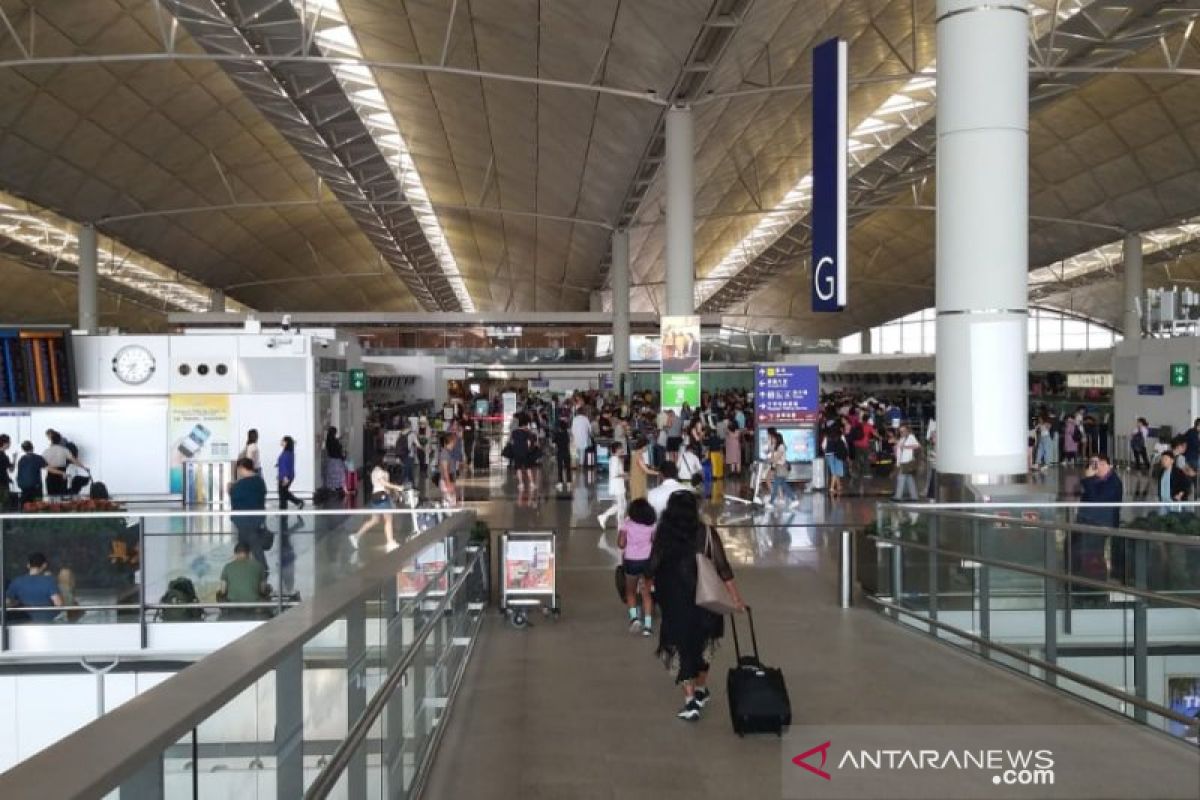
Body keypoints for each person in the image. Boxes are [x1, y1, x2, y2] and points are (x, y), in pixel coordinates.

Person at [649, 491, 745, 721]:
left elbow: (652, 566)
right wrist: (735, 599)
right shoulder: (707, 533)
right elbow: (723, 569)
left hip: (675, 601)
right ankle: (701, 689)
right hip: (706, 598)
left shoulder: (663, 534)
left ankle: (690, 699)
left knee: (682, 646)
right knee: (704, 644)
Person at [1077, 455, 1124, 581]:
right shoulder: (1096, 480)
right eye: (1095, 464)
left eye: (1101, 464)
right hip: (1091, 523)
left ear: (1109, 466)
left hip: (1102, 523)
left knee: (1095, 553)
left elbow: (1097, 501)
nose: (1098, 468)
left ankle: (1098, 579)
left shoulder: (1113, 482)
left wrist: (1089, 480)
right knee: (1089, 552)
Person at [620, 498, 657, 636]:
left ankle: (634, 619)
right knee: (646, 593)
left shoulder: (627, 524)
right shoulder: (651, 525)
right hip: (647, 561)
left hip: (631, 561)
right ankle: (648, 627)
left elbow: (621, 544)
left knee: (630, 591)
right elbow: (654, 541)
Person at [350, 461, 403, 550]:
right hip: (382, 497)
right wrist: (397, 487)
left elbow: (386, 484)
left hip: (376, 498)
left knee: (374, 520)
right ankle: (390, 542)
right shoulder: (379, 471)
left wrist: (395, 491)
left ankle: (356, 536)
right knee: (388, 520)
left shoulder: (376, 471)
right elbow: (384, 483)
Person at [4, 552, 63, 623]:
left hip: (22, 622)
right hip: (47, 621)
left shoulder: (17, 581)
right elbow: (58, 603)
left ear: (28, 565)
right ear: (44, 565)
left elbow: (7, 602)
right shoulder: (49, 581)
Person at [218, 542, 269, 620]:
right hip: (254, 607)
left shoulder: (228, 567)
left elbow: (223, 590)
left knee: (219, 594)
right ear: (250, 553)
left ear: (235, 554)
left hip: (233, 607)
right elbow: (262, 590)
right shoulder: (259, 566)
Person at [597, 441, 627, 530]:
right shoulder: (614, 459)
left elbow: (619, 472)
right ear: (617, 449)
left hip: (619, 485)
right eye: (621, 448)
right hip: (617, 486)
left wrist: (624, 474)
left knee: (622, 504)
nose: (622, 450)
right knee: (620, 505)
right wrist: (624, 475)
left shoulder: (616, 459)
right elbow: (614, 473)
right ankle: (618, 524)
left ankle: (605, 517)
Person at [42, 430, 80, 497]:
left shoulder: (46, 451)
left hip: (51, 474)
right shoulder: (65, 449)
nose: (48, 438)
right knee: (62, 495)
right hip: (62, 473)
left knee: (51, 496)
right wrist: (84, 467)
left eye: (48, 437)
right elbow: (74, 460)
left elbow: (44, 465)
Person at [768, 431, 799, 509]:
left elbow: (776, 458)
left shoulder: (781, 447)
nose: (773, 440)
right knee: (784, 485)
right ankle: (794, 500)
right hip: (779, 468)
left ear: (777, 439)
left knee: (775, 486)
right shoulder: (778, 447)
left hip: (781, 468)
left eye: (774, 438)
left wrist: (772, 463)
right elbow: (773, 458)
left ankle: (771, 502)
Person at [510, 414, 538, 492]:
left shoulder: (514, 432)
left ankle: (521, 484)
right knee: (528, 468)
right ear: (525, 424)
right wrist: (528, 450)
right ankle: (532, 483)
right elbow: (529, 443)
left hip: (517, 452)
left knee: (518, 468)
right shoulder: (527, 432)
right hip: (525, 452)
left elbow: (512, 442)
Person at [893, 423, 921, 501]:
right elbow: (899, 451)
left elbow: (917, 446)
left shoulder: (910, 437)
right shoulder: (901, 439)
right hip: (902, 462)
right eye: (900, 431)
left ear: (907, 430)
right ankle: (914, 497)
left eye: (903, 431)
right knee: (909, 479)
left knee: (901, 478)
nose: (902, 433)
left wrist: (904, 447)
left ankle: (898, 497)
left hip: (907, 462)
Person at [276, 436, 303, 510]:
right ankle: (296, 503)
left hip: (285, 477)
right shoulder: (289, 453)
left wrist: (285, 478)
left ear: (286, 442)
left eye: (282, 441)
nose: (281, 442)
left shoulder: (286, 454)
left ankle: (284, 509)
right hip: (288, 476)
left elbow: (285, 466)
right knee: (284, 493)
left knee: (283, 494)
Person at [15, 440, 46, 507]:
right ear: (32, 447)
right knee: (37, 505)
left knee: (25, 505)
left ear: (23, 449)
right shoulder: (38, 458)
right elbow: (48, 467)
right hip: (35, 486)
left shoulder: (21, 459)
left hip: (23, 486)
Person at [630, 436, 658, 501]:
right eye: (646, 446)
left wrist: (647, 466)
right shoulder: (639, 456)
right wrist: (658, 473)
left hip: (637, 479)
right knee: (638, 499)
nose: (647, 448)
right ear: (643, 446)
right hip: (638, 480)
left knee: (638, 498)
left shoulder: (636, 454)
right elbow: (646, 470)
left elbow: (640, 466)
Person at [438, 432, 459, 505]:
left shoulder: (449, 452)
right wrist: (448, 483)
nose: (455, 443)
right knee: (449, 503)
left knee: (452, 502)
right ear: (450, 441)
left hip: (450, 480)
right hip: (446, 481)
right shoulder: (445, 453)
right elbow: (445, 470)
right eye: (454, 441)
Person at [552, 418, 572, 492]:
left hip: (560, 453)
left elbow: (553, 445)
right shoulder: (567, 434)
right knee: (568, 468)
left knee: (560, 468)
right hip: (567, 452)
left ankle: (560, 482)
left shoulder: (557, 434)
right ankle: (569, 482)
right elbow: (569, 442)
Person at [571, 408, 592, 475]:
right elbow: (590, 429)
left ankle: (574, 464)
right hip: (584, 437)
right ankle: (581, 464)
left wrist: (573, 436)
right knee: (582, 451)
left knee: (575, 451)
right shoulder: (586, 419)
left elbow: (572, 429)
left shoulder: (575, 419)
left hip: (576, 437)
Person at [0, 434, 12, 510]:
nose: (10, 444)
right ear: (5, 443)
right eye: (9, 442)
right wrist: (14, 458)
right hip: (3, 482)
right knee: (5, 504)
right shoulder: (3, 456)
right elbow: (11, 469)